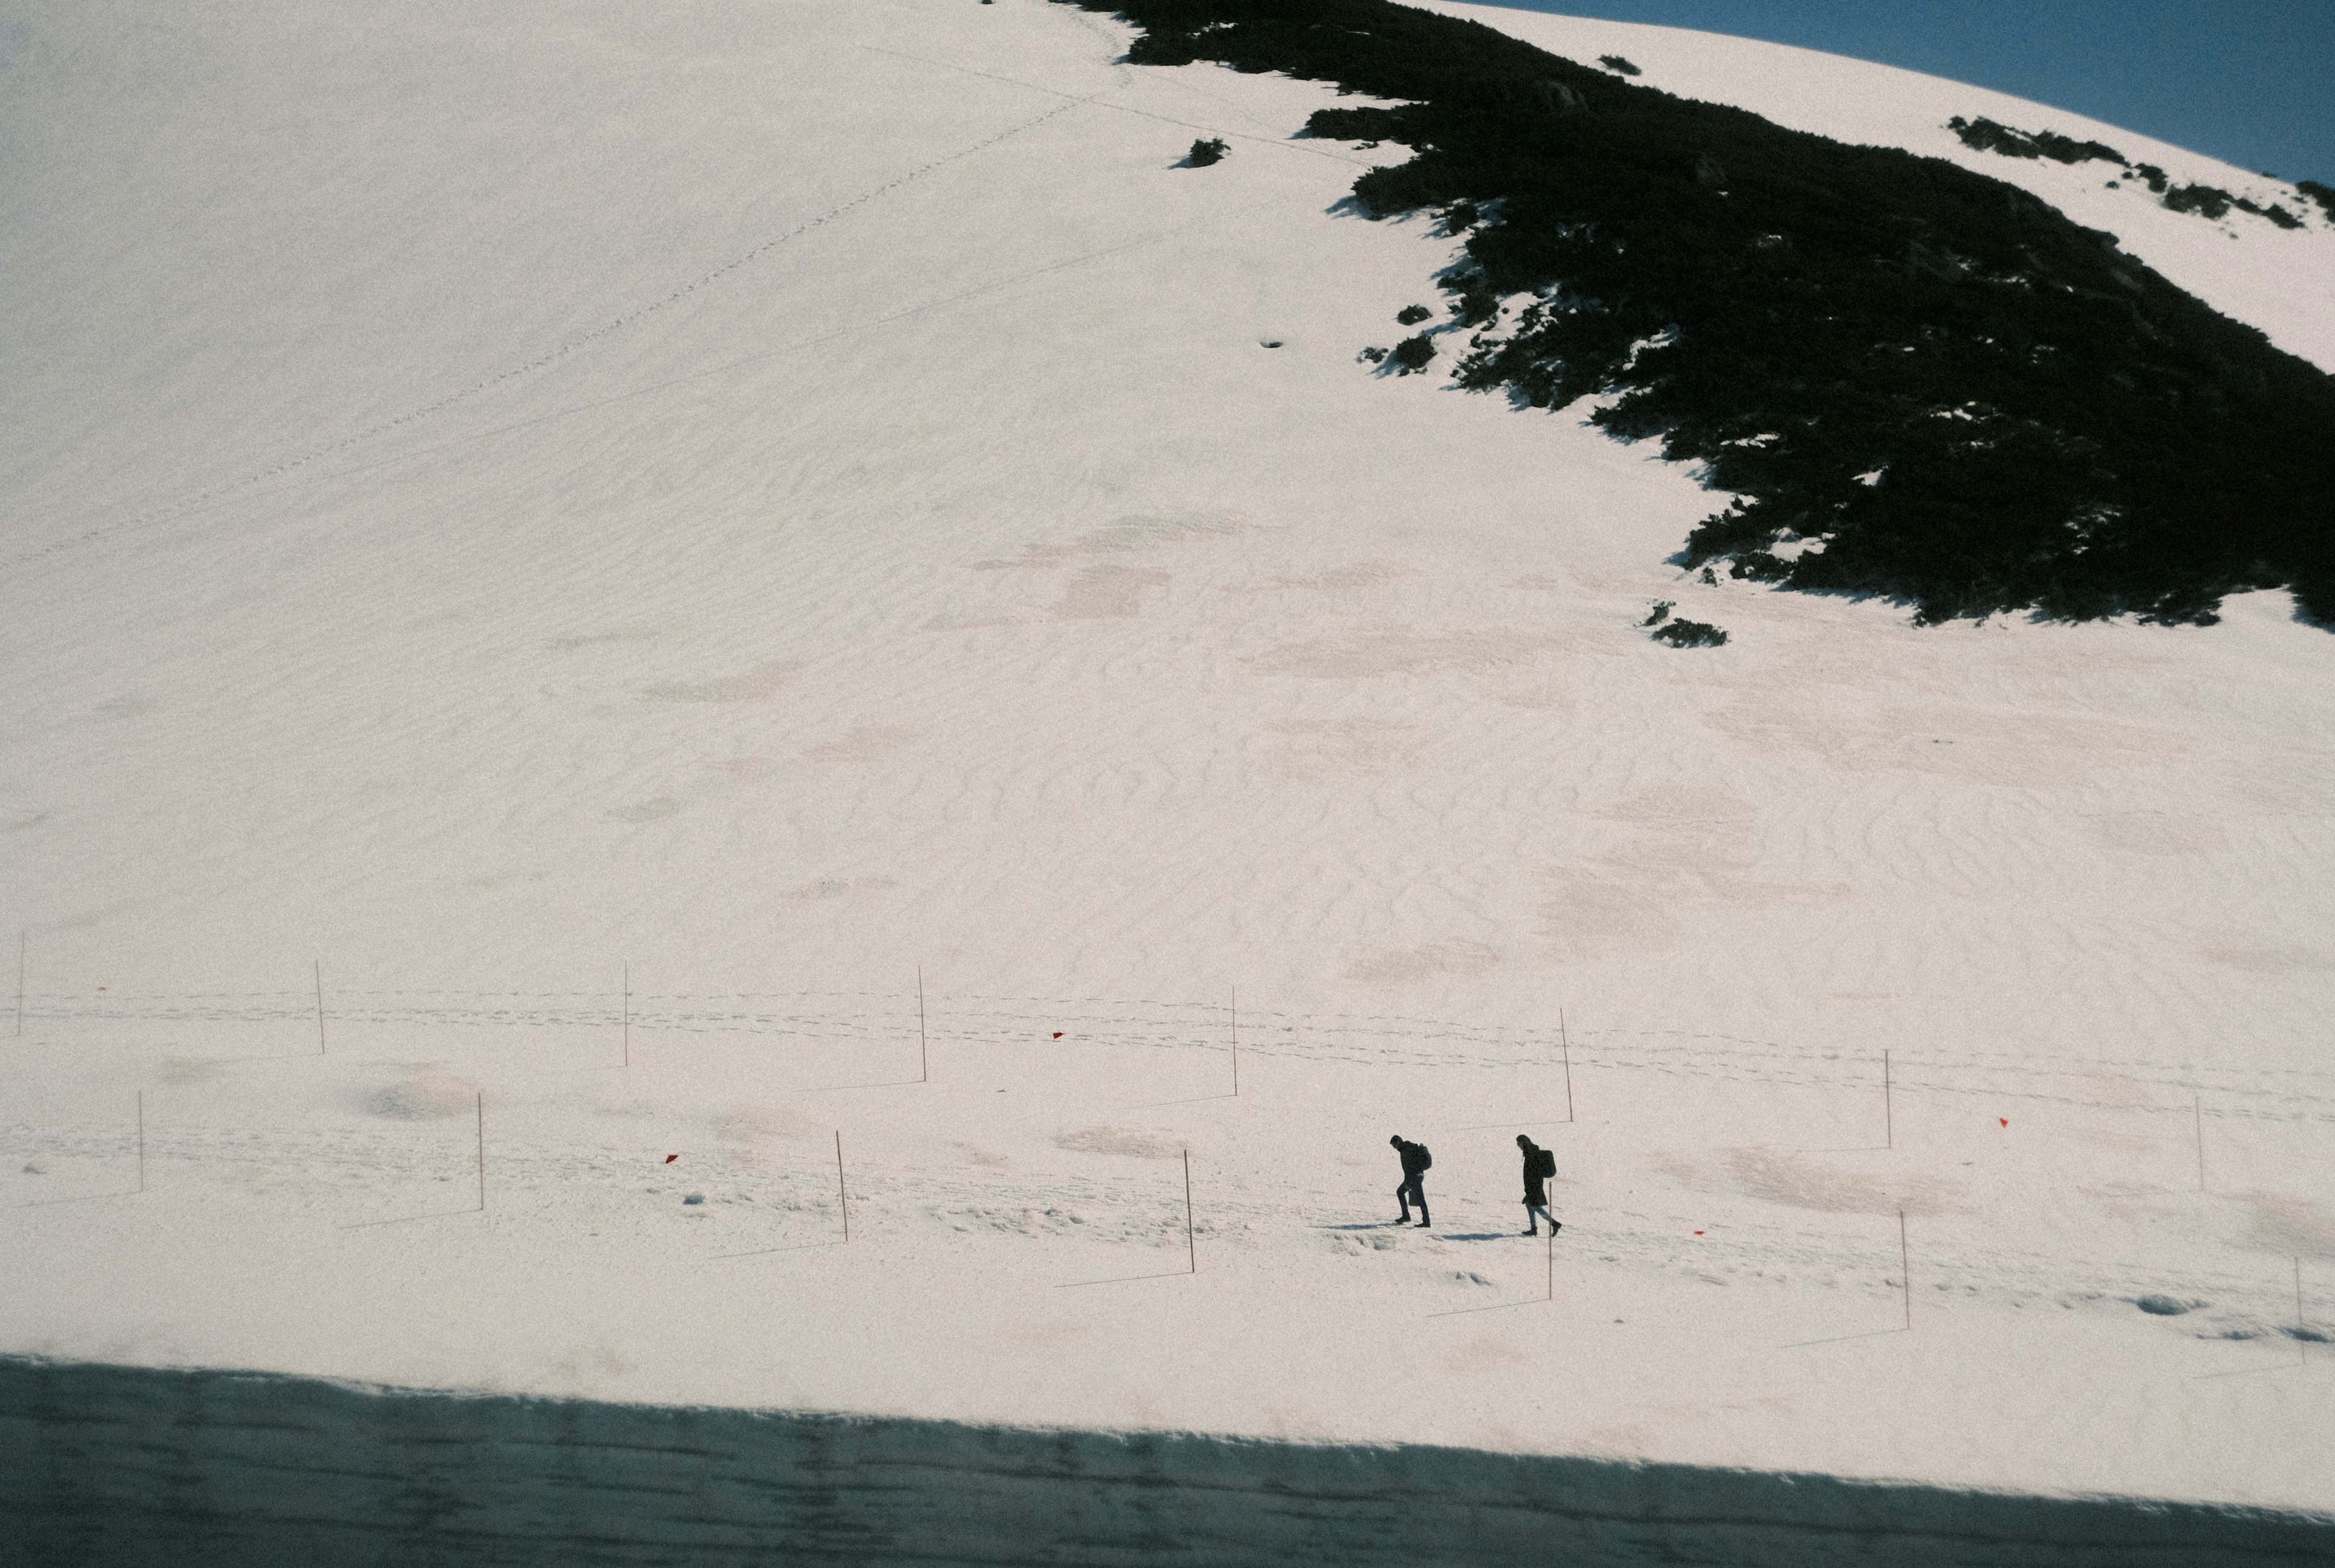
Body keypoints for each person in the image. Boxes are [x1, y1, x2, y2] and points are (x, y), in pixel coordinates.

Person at [1518, 1133, 1560, 1236]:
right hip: (1533, 1186)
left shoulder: (1532, 1154)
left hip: (1534, 1186)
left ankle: (1555, 1223)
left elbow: (1532, 1174)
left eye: (1519, 1143)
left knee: (1536, 1207)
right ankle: (1534, 1229)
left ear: (1524, 1143)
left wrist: (1529, 1191)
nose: (1518, 1145)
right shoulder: (1530, 1153)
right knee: (1529, 1204)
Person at [1389, 1135, 1431, 1227]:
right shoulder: (1407, 1148)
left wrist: (1409, 1182)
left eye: (1394, 1145)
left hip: (1415, 1177)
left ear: (1399, 1142)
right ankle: (1406, 1216)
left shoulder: (1406, 1151)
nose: (1394, 1148)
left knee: (1420, 1199)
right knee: (1401, 1192)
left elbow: (1410, 1168)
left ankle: (1426, 1222)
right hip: (1417, 1176)